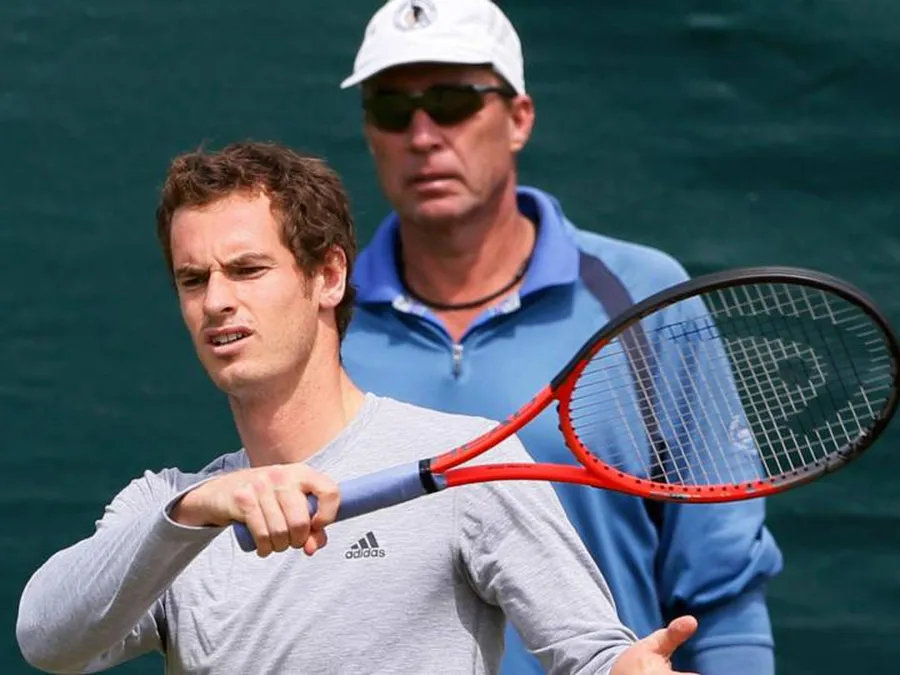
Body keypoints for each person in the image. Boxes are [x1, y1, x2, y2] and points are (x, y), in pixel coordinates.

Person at [16, 141, 699, 675]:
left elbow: (591, 655)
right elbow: (46, 639)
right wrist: (196, 511)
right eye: (193, 280)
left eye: (248, 270)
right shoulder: (167, 508)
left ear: (329, 275)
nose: (216, 301)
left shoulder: (469, 462)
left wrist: (626, 667)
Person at [337, 1, 785, 674]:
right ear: (371, 132)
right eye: (393, 109)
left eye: (454, 101)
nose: (423, 135)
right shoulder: (323, 320)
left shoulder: (644, 298)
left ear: (519, 118)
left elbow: (723, 586)